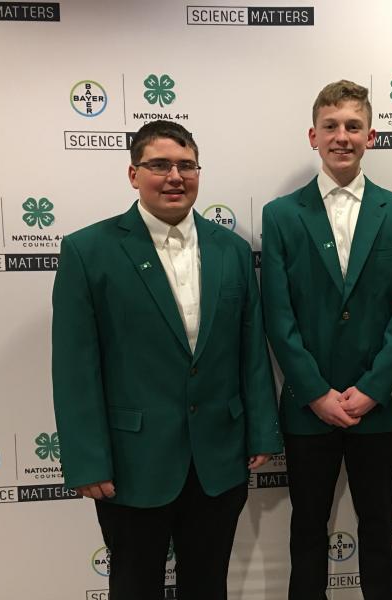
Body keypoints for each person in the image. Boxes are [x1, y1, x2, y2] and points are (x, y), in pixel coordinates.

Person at [51, 120, 282, 600]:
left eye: (186, 165)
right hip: (133, 463)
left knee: (208, 584)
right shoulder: (88, 251)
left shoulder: (233, 251)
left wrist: (262, 429)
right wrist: (87, 459)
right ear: (134, 174)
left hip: (218, 458)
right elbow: (75, 368)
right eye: (159, 165)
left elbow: (250, 349)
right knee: (135, 586)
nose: (174, 176)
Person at [260, 80, 392, 600]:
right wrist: (314, 392)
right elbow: (278, 315)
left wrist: (374, 387)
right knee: (307, 527)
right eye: (331, 126)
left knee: (379, 526)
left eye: (353, 126)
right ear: (313, 135)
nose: (342, 136)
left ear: (370, 135)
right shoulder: (282, 214)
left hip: (378, 405)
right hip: (310, 407)